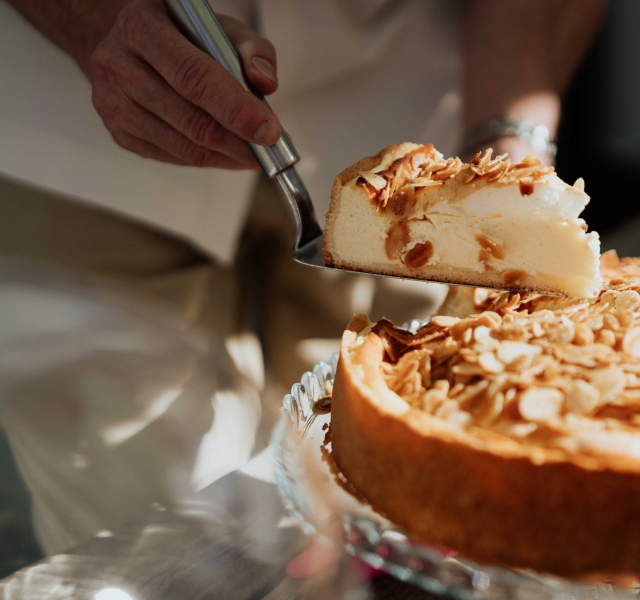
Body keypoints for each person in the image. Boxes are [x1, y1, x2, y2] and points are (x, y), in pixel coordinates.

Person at [0, 0, 605, 555]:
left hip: (404, 149)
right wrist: (89, 18)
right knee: (156, 537)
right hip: (81, 144)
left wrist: (506, 143)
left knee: (380, 497)